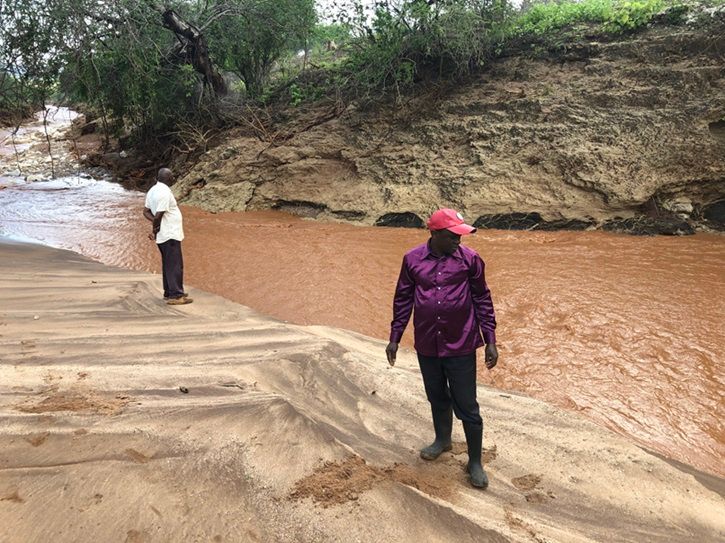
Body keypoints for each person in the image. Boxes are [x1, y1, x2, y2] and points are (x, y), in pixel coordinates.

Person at [386, 208, 498, 489]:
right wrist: (395, 337)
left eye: (460, 236)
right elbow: (403, 299)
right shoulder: (412, 260)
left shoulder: (470, 260)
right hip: (427, 343)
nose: (458, 242)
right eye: (452, 237)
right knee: (436, 396)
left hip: (461, 343)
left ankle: (474, 462)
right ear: (434, 234)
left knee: (468, 405)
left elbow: (482, 298)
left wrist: (491, 340)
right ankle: (443, 440)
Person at [143, 168, 192, 305]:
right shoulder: (164, 192)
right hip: (169, 233)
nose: (173, 178)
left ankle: (170, 291)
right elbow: (159, 214)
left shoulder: (152, 190)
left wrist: (156, 227)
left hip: (164, 234)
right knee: (175, 264)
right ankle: (176, 295)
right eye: (171, 176)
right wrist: (155, 229)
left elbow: (146, 212)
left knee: (168, 263)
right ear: (167, 178)